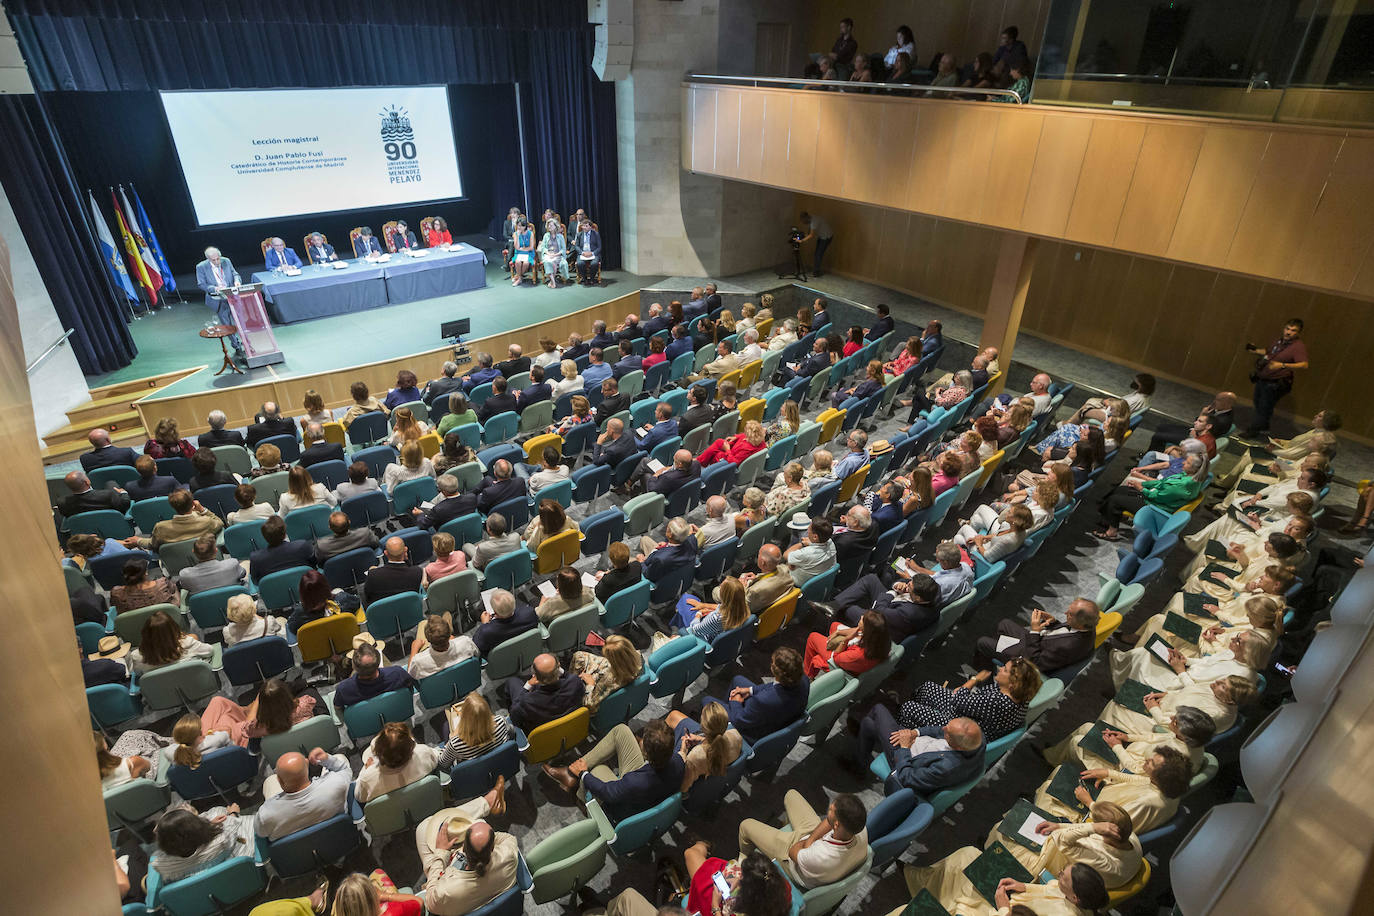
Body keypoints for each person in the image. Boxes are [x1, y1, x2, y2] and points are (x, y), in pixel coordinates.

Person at [542, 720, 683, 822]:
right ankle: (570, 774)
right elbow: (678, 757)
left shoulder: (633, 782)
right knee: (621, 730)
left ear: (644, 751)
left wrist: (583, 773)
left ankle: (581, 797)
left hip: (626, 808)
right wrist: (684, 750)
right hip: (653, 774)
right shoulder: (679, 761)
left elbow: (607, 792)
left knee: (598, 769)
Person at [413, 783, 517, 916]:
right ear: (491, 849)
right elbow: (504, 837)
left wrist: (441, 851)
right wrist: (481, 840)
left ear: (463, 849)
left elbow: (430, 901)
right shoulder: (509, 853)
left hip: (453, 894)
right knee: (481, 823)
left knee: (423, 829)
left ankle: (487, 802)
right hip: (496, 902)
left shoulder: (444, 892)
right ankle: (488, 803)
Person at [738, 790, 868, 889]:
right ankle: (791, 830)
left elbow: (793, 851)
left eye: (830, 810)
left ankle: (743, 860)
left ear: (837, 825)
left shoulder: (820, 856)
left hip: (794, 864)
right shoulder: (859, 829)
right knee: (791, 794)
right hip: (810, 843)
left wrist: (807, 843)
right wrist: (810, 840)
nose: (828, 809)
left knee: (746, 825)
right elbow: (829, 823)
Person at [900, 658, 1042, 741]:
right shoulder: (1021, 697)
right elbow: (967, 699)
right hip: (968, 715)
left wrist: (974, 680)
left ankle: (902, 736)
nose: (999, 669)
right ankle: (918, 728)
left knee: (909, 708)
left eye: (1004, 669)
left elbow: (958, 700)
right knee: (928, 687)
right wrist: (963, 692)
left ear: (1013, 683)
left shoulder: (998, 701)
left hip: (962, 731)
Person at [857, 712, 986, 795]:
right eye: (948, 725)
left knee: (878, 710)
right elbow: (939, 731)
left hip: (905, 762)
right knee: (868, 724)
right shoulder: (977, 738)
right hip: (918, 745)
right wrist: (915, 732)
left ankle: (858, 764)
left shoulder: (946, 768)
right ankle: (860, 761)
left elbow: (907, 778)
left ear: (958, 747)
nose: (943, 728)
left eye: (947, 732)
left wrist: (904, 747)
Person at [1094, 452, 1206, 540]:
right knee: (1120, 490)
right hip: (1159, 500)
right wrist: (1142, 484)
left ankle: (1111, 532)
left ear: (1194, 468)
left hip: (1156, 508)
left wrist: (1141, 488)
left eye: (1187, 463)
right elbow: (1160, 483)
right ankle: (1110, 518)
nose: (1183, 463)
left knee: (1115, 500)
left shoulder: (1182, 485)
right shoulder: (1190, 476)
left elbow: (1156, 496)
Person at [974, 598, 1100, 673]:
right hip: (1040, 643)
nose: (1065, 612)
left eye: (1070, 614)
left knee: (982, 642)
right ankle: (1000, 655)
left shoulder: (1069, 646)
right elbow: (1064, 633)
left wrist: (1034, 631)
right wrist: (1053, 622)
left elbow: (1034, 663)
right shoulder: (1088, 627)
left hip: (1028, 658)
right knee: (1004, 624)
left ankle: (984, 678)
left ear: (1082, 624)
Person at [253, 747, 350, 841]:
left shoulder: (265, 815)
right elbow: (345, 770)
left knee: (269, 781)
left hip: (297, 854)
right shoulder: (337, 784)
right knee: (340, 757)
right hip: (337, 840)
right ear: (307, 771)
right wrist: (326, 759)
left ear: (280, 782)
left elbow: (260, 832)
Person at [817, 572, 939, 645]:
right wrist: (897, 585)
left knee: (849, 609)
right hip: (895, 605)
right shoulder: (932, 591)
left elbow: (878, 611)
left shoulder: (908, 613)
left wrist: (892, 593)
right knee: (871, 579)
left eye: (909, 587)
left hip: (885, 628)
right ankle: (833, 606)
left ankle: (825, 629)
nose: (907, 585)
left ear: (918, 598)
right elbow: (906, 581)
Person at [149, 804, 257, 886]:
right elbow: (231, 824)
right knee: (219, 810)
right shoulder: (222, 841)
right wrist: (233, 813)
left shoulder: (161, 865)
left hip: (204, 894)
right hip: (239, 878)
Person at [1243, 317, 1309, 437]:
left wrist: (1282, 365)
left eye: (1293, 330)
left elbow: (1304, 364)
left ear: (1298, 333)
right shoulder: (1279, 341)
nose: (1288, 332)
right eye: (1287, 329)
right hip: (1263, 379)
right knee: (1259, 403)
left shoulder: (1298, 347)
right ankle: (1263, 427)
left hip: (1276, 382)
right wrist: (1255, 350)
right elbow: (1268, 352)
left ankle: (1253, 431)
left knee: (1264, 406)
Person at [354, 722, 439, 805]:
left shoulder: (367, 779)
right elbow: (436, 757)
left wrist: (366, 770)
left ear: (377, 753)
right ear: (411, 746)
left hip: (391, 816)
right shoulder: (423, 752)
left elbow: (359, 797)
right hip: (425, 803)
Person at [507, 652, 584, 731]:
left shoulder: (527, 701)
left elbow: (514, 717)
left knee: (512, 681)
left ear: (535, 676)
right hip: (570, 727)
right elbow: (569, 677)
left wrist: (528, 685)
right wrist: (561, 671)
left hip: (541, 733)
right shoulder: (575, 682)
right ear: (559, 667)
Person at [804, 609, 891, 678]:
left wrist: (846, 639)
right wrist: (838, 632)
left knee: (813, 637)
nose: (860, 617)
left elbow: (836, 658)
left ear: (868, 630)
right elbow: (858, 632)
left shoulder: (858, 655)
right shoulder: (880, 639)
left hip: (840, 664)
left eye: (862, 619)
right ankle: (827, 646)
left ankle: (807, 675)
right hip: (852, 653)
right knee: (834, 625)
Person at [333, 641, 415, 712]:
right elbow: (410, 688)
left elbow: (337, 707)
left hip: (366, 725)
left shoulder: (343, 689)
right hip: (398, 714)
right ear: (378, 662)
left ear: (354, 666)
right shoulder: (397, 673)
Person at [571, 634, 644, 713]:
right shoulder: (638, 656)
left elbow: (590, 705)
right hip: (619, 671)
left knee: (578, 659)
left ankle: (572, 689)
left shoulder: (609, 679)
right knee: (579, 656)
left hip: (606, 682)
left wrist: (590, 684)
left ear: (613, 661)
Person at [195, 247, 246, 360]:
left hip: (232, 295)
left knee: (240, 320)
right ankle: (237, 346)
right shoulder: (201, 267)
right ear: (208, 259)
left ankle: (246, 343)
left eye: (218, 258)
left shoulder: (226, 261)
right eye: (214, 260)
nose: (217, 262)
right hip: (218, 298)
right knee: (227, 324)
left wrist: (237, 281)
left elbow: (235, 274)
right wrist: (214, 288)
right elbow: (201, 284)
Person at [128, 610, 215, 674]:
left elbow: (139, 673)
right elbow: (210, 651)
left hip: (162, 693)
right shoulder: (188, 643)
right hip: (195, 684)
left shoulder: (136, 656)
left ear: (145, 633)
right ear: (174, 629)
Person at [247, 515, 314, 584]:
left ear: (264, 537)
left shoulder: (256, 558)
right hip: (307, 587)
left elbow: (256, 582)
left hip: (275, 592)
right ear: (285, 533)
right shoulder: (302, 545)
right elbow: (314, 566)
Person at [472, 588, 539, 656]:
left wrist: (485, 624)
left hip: (502, 659)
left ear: (494, 611)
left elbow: (476, 646)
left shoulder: (486, 631)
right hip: (526, 651)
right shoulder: (530, 613)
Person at [178, 533, 247, 595]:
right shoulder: (232, 564)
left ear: (194, 552)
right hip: (234, 601)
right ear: (216, 551)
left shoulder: (185, 575)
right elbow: (243, 573)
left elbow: (185, 587)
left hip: (206, 607)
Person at [363, 537, 424, 608]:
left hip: (383, 613)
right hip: (410, 610)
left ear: (385, 553)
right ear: (405, 550)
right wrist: (406, 559)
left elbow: (368, 597)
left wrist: (373, 571)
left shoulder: (373, 575)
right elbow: (410, 568)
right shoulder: (417, 572)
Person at [111, 555, 179, 614]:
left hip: (135, 627)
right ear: (145, 573)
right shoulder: (163, 585)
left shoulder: (116, 593)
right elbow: (173, 591)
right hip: (166, 623)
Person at [784, 516, 837, 586]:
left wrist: (802, 544)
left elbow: (785, 555)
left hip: (797, 584)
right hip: (820, 582)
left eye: (809, 529)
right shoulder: (831, 543)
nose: (807, 530)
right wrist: (811, 543)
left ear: (815, 537)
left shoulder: (806, 553)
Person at [696, 418, 766, 467]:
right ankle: (700, 460)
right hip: (733, 451)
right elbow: (743, 435)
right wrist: (736, 437)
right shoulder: (759, 438)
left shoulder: (746, 449)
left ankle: (701, 463)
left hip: (730, 460)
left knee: (718, 454)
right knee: (719, 442)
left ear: (749, 434)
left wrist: (727, 450)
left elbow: (734, 463)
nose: (744, 431)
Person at [797, 211, 834, 276]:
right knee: (817, 254)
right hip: (822, 236)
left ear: (806, 218)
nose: (803, 222)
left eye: (803, 221)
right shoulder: (811, 217)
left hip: (826, 237)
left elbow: (811, 235)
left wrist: (801, 240)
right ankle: (816, 270)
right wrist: (805, 235)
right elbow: (809, 230)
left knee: (818, 254)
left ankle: (816, 272)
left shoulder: (814, 222)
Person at [573, 218, 602, 284]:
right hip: (582, 254)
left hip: (593, 254)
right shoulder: (579, 234)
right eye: (583, 226)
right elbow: (576, 246)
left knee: (594, 263)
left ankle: (592, 278)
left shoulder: (596, 234)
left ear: (590, 227)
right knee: (580, 263)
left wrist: (592, 253)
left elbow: (599, 247)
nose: (584, 227)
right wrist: (582, 253)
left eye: (586, 226)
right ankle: (584, 278)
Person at [509, 217, 536, 285]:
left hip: (529, 253)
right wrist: (518, 235)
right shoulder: (515, 234)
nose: (519, 227)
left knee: (526, 263)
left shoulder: (530, 234)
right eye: (518, 225)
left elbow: (531, 247)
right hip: (519, 253)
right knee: (517, 262)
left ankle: (518, 277)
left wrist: (523, 249)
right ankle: (520, 278)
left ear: (525, 226)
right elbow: (517, 247)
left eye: (521, 226)